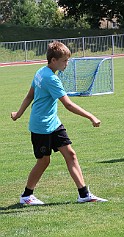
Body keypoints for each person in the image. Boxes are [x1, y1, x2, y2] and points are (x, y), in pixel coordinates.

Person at [11, 41, 108, 205]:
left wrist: (18, 114)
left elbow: (30, 96)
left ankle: (84, 194)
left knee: (71, 155)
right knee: (44, 161)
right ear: (53, 60)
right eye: (64, 61)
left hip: (53, 123)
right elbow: (68, 105)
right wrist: (91, 116)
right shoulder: (50, 78)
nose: (67, 64)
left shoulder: (41, 72)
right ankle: (26, 196)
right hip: (41, 126)